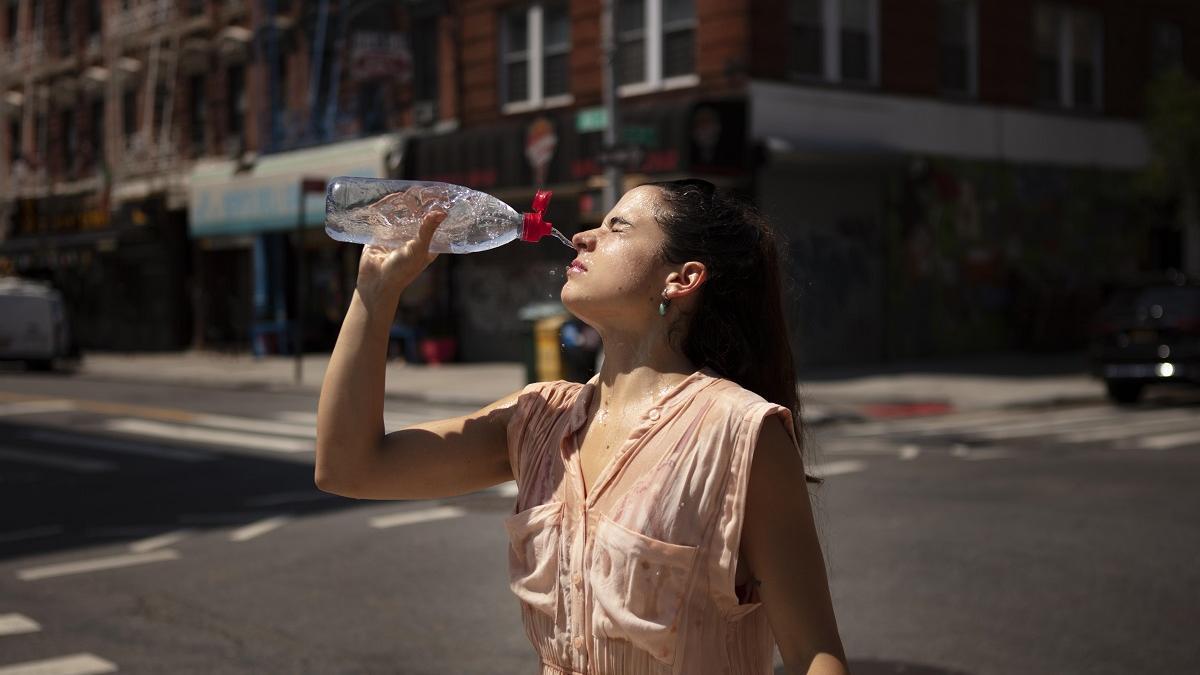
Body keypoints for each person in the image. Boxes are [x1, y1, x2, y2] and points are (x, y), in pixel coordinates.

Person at [315, 179, 849, 675]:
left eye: (618, 227)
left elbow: (813, 654)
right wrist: (375, 294)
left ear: (682, 278)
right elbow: (350, 468)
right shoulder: (537, 419)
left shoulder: (739, 433)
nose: (584, 235)